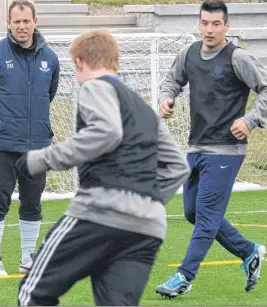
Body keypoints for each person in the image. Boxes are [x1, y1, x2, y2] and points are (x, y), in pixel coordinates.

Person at [14, 29, 190, 306]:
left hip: (100, 213)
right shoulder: (145, 110)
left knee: (32, 294)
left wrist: (39, 160)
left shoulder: (94, 86)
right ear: (116, 63)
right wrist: (145, 200)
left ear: (79, 62)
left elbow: (107, 131)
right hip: (147, 227)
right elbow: (179, 167)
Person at [155, 0, 267, 298]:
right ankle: (249, 251)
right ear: (199, 24)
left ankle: (184, 276)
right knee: (191, 212)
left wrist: (250, 121)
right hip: (196, 147)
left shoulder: (238, 58)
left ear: (227, 26)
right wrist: (166, 97)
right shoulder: (189, 54)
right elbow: (172, 80)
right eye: (204, 23)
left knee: (207, 216)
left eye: (216, 24)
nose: (209, 29)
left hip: (227, 151)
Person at [0, 0, 60, 277]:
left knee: (33, 203)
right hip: (0, 144)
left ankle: (27, 258)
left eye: (26, 21)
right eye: (16, 21)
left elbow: (50, 93)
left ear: (35, 21)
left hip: (37, 146)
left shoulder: (50, 58)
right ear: (8, 23)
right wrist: (0, 119)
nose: (22, 26)